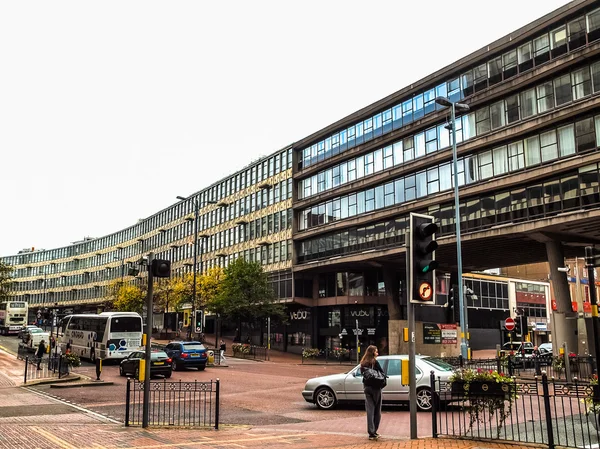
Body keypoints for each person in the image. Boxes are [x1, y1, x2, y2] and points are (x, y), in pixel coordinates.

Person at [360, 345, 385, 440]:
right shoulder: (375, 362)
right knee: (377, 410)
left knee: (370, 410)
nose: (377, 353)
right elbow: (382, 373)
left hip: (366, 387)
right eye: (376, 351)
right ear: (373, 352)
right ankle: (374, 432)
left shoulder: (363, 363)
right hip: (376, 388)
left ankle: (370, 432)